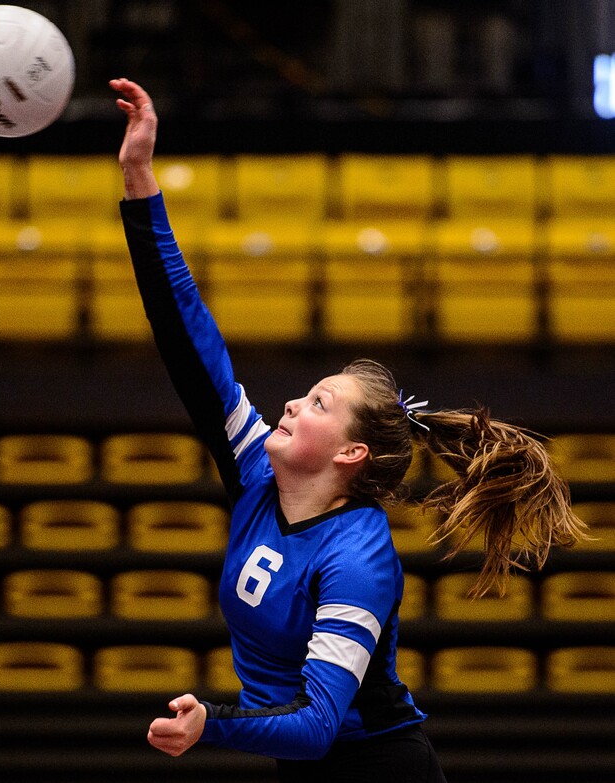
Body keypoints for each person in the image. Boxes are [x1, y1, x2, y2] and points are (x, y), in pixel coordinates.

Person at [109, 77, 587, 782]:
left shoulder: (358, 558)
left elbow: (317, 726)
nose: (291, 405)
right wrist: (139, 178)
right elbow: (186, 335)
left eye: (318, 403)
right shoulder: (257, 472)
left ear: (350, 452)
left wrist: (214, 720)